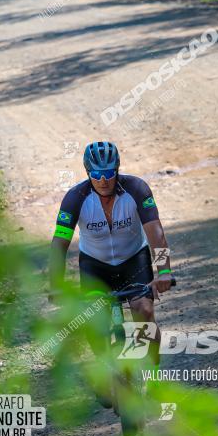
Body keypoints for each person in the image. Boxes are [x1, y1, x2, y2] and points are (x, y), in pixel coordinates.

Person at [49, 140, 172, 371]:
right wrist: (56, 284)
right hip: (95, 266)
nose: (103, 180)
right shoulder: (75, 198)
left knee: (144, 311)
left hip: (134, 260)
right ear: (88, 173)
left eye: (108, 172)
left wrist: (164, 271)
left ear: (117, 169)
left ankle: (154, 375)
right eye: (96, 173)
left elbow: (156, 232)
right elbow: (59, 244)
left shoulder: (137, 189)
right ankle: (104, 369)